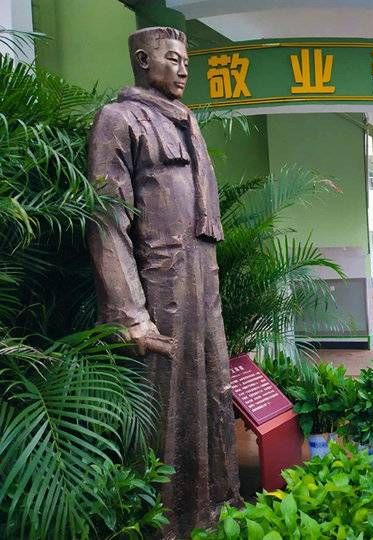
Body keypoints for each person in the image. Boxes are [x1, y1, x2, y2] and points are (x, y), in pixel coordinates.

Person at [87, 27, 239, 537]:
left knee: (213, 390)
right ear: (141, 60)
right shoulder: (118, 119)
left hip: (203, 280)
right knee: (168, 406)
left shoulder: (185, 122)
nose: (183, 68)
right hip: (160, 286)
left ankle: (217, 505)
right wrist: (131, 314)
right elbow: (106, 221)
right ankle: (164, 523)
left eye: (185, 60)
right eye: (172, 59)